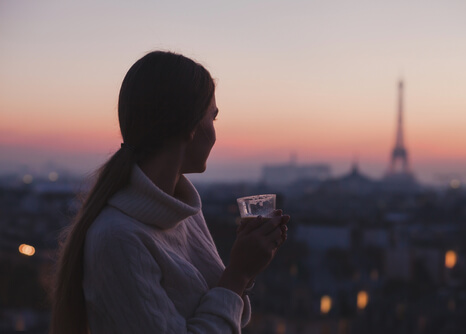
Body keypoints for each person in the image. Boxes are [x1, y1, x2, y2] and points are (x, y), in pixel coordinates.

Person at [49, 51, 289, 334]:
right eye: (213, 119)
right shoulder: (118, 239)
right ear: (189, 127)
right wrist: (239, 273)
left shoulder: (183, 212)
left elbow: (218, 313)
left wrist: (246, 262)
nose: (215, 134)